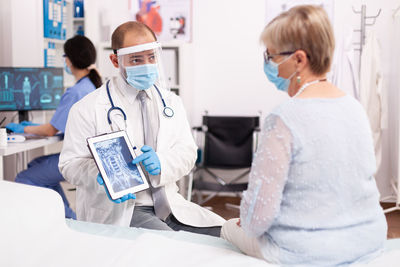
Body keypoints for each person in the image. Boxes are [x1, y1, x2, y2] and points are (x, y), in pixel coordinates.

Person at [220, 5, 387, 266]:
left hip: (306, 250)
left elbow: (257, 219)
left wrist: (246, 221)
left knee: (229, 227)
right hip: (369, 238)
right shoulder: (354, 108)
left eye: (271, 56)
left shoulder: (284, 118)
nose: (268, 63)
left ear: (299, 59)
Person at [59, 21, 225, 236]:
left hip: (171, 205)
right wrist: (100, 174)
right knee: (171, 246)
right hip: (124, 210)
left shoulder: (170, 102)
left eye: (151, 57)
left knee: (226, 236)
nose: (146, 65)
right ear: (115, 60)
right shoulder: (87, 108)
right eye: (136, 59)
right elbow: (69, 164)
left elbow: (188, 152)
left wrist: (161, 163)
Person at [6, 35, 102, 219]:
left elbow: (51, 130)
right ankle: (66, 215)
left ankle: (69, 220)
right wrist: (32, 127)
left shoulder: (75, 92)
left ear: (70, 59)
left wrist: (23, 129)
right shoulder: (91, 85)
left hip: (80, 159)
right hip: (89, 156)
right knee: (35, 165)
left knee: (25, 177)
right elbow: (60, 127)